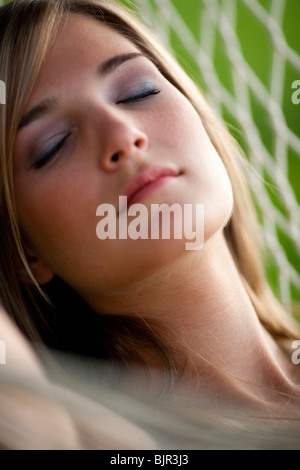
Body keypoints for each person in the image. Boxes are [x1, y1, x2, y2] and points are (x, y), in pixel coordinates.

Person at [1, 0, 300, 437]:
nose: (122, 134)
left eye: (137, 91)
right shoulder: (84, 436)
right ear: (26, 252)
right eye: (53, 145)